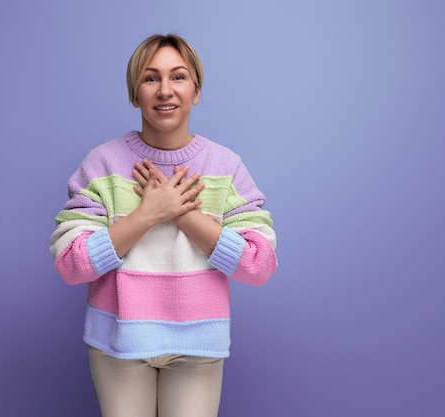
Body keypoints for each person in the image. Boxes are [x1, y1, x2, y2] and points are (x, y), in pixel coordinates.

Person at [50, 33, 278, 417]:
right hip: (118, 343)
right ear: (134, 93)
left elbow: (259, 265)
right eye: (151, 78)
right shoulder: (102, 164)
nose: (165, 90)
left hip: (198, 344)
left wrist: (181, 212)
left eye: (178, 76)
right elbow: (71, 265)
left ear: (196, 91)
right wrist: (147, 214)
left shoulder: (226, 167)